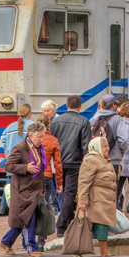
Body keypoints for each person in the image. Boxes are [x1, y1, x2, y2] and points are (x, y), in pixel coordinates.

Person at [0, 122, 49, 257]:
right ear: (31, 135)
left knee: (23, 219)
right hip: (22, 190)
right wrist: (25, 168)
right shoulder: (20, 148)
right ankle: (31, 247)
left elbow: (40, 170)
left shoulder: (38, 148)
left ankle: (6, 242)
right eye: (39, 137)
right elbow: (8, 166)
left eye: (42, 136)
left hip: (34, 189)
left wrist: (42, 188)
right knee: (28, 219)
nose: (41, 139)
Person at [51, 95, 92, 237]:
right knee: (69, 193)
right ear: (80, 106)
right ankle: (61, 225)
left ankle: (66, 221)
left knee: (62, 192)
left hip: (58, 162)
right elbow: (85, 146)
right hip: (74, 163)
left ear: (66, 104)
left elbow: (52, 142)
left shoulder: (55, 122)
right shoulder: (84, 122)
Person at [75, 137, 119, 257]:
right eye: (104, 146)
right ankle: (104, 255)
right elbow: (84, 182)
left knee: (92, 227)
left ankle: (77, 250)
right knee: (100, 226)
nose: (107, 148)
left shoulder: (104, 160)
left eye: (107, 146)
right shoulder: (91, 160)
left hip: (104, 200)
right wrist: (82, 201)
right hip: (96, 201)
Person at [34, 114, 62, 250]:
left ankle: (29, 238)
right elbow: (57, 163)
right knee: (44, 208)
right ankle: (41, 240)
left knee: (32, 207)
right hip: (46, 176)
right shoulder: (53, 140)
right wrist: (59, 183)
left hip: (32, 176)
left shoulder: (31, 138)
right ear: (49, 125)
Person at [90, 94, 126, 172]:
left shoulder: (93, 119)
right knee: (112, 183)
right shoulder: (118, 119)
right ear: (113, 105)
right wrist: (122, 152)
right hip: (113, 160)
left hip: (96, 159)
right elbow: (123, 140)